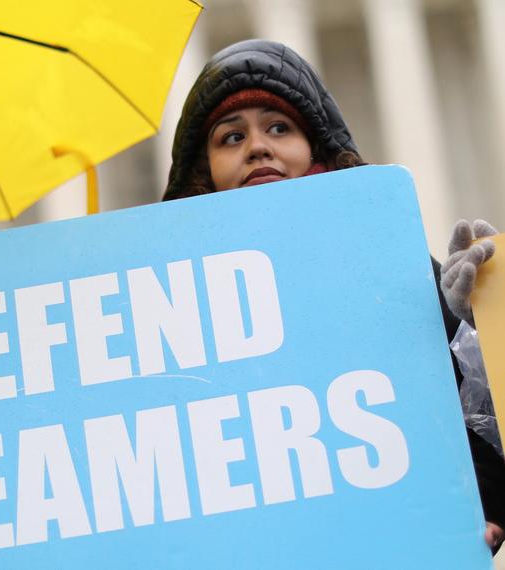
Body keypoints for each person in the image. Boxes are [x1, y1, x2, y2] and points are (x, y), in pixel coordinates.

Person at [162, 39, 505, 552]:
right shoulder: (169, 304)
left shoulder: (389, 260)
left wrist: (470, 333)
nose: (258, 146)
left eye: (279, 127)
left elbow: (477, 437)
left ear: (315, 147)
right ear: (202, 170)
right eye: (231, 137)